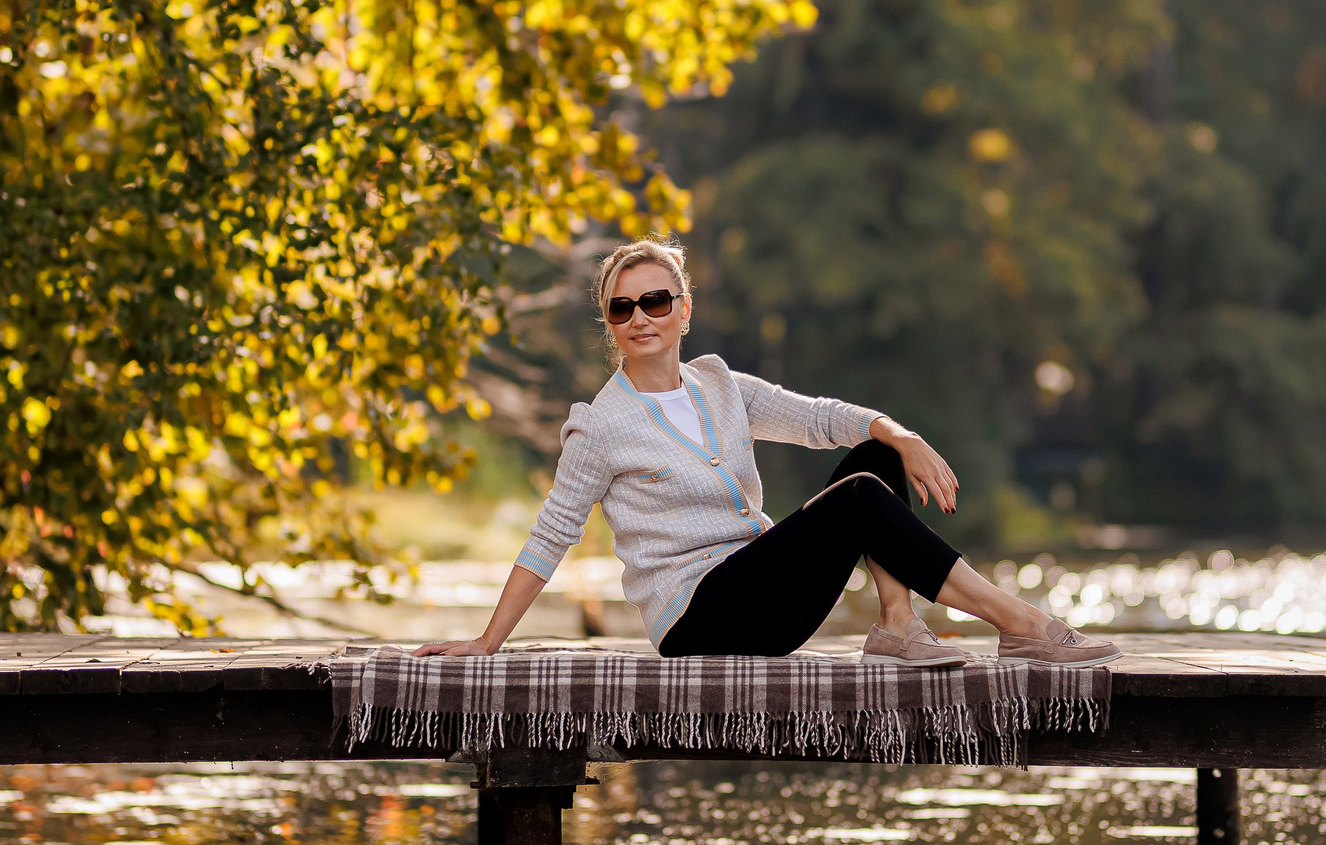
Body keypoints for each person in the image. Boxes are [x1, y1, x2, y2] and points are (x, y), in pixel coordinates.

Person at [414, 236, 1117, 667]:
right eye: (622, 308)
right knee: (859, 499)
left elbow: (820, 418)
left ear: (684, 309)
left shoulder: (720, 383)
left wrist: (901, 434)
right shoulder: (599, 426)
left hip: (763, 592)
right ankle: (1021, 624)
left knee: (874, 462)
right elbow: (552, 534)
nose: (640, 319)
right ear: (610, 324)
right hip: (699, 617)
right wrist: (486, 641)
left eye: (655, 301)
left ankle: (900, 623)